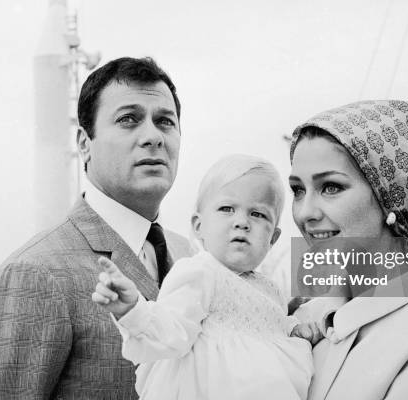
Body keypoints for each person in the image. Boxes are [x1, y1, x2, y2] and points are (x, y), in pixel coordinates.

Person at [0, 57, 193, 399]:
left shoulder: (190, 255)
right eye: (128, 119)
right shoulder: (35, 274)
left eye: (165, 121)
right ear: (85, 143)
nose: (153, 136)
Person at [288, 100, 408, 400]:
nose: (305, 212)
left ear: (391, 198)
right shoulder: (305, 316)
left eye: (331, 187)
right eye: (298, 190)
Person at [92, 155, 319, 400]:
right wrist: (132, 309)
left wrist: (294, 331)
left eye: (257, 214)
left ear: (272, 239)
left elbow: (272, 328)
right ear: (199, 226)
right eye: (227, 209)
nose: (242, 222)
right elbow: (171, 327)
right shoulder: (199, 272)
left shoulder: (269, 288)